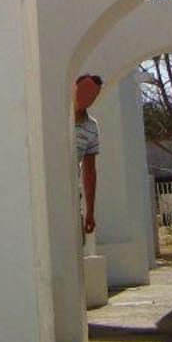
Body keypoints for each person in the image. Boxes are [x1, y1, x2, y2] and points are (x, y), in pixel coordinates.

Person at [74, 73, 103, 236]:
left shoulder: (92, 127)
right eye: (83, 90)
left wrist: (90, 211)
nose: (86, 97)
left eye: (92, 94)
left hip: (72, 198)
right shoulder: (55, 114)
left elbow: (89, 171)